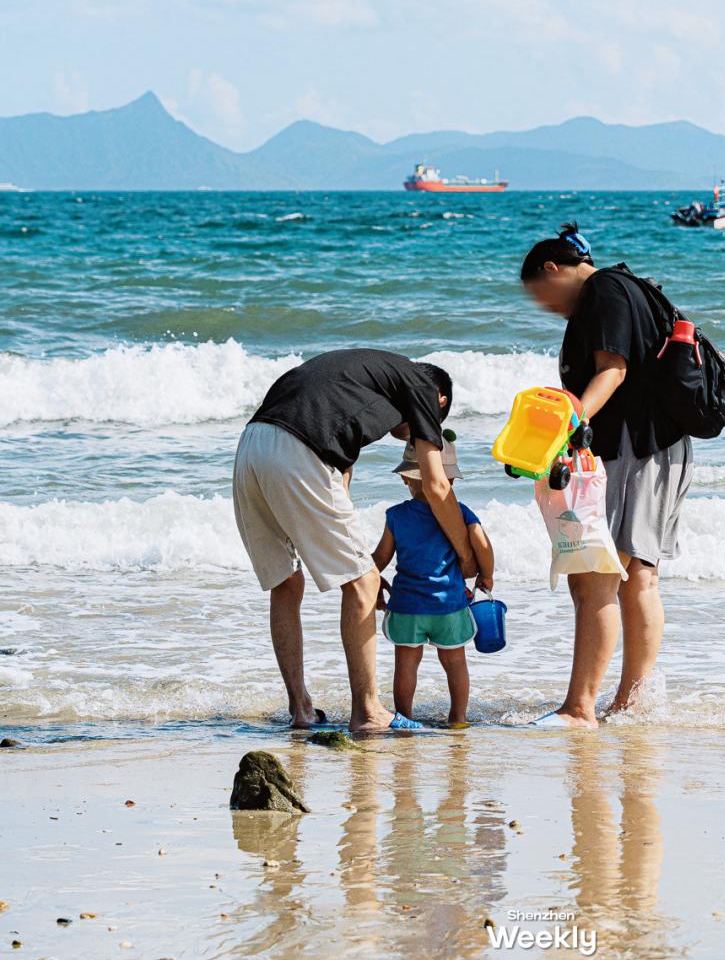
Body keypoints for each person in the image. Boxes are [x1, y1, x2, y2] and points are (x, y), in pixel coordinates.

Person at [232, 348, 475, 733]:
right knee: (362, 584)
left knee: (286, 582)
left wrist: (362, 561)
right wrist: (466, 555)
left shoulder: (364, 381)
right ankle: (368, 711)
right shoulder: (422, 388)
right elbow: (435, 484)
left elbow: (339, 482)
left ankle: (301, 710)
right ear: (440, 401)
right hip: (300, 450)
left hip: (251, 445)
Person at [520, 225, 693, 726]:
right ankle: (626, 703)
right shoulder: (627, 287)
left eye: (543, 298)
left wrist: (567, 427)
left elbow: (612, 370)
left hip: (639, 449)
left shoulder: (605, 291)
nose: (548, 309)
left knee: (602, 574)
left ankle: (581, 708)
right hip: (651, 448)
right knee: (635, 572)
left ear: (553, 269)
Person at [372, 438, 495, 726]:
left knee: (406, 663)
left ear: (405, 478)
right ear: (450, 477)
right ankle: (458, 717)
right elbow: (482, 544)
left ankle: (405, 717)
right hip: (449, 606)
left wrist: (373, 582)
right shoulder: (462, 512)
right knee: (455, 663)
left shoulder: (397, 515)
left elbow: (380, 558)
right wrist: (486, 575)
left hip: (407, 605)